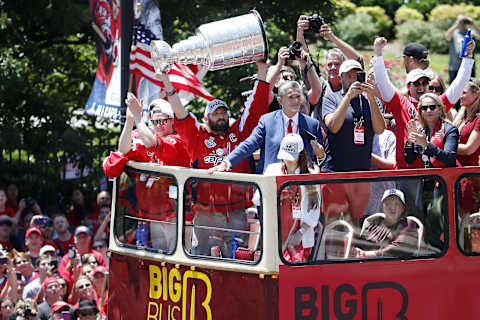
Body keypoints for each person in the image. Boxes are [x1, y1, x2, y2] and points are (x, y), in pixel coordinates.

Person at [154, 60, 269, 257]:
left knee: (238, 259)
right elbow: (180, 113)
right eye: (216, 114)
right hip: (206, 213)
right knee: (202, 258)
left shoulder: (239, 132)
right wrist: (167, 81)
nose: (221, 116)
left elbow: (256, 106)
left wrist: (262, 72)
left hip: (237, 212)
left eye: (224, 112)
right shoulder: (197, 137)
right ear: (207, 119)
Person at [372, 36, 475, 169]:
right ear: (408, 86)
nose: (421, 87)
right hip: (406, 170)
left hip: (433, 175)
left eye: (425, 82)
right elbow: (384, 84)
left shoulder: (435, 103)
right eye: (416, 83)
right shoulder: (401, 103)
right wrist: (378, 53)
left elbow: (459, 84)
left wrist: (468, 57)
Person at [320, 59, 384, 224]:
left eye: (357, 74)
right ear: (341, 78)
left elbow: (380, 129)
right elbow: (333, 126)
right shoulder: (332, 98)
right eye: (348, 75)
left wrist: (371, 97)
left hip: (360, 172)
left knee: (355, 222)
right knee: (331, 221)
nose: (353, 79)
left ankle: (353, 250)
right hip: (335, 171)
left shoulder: (370, 101)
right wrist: (348, 97)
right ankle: (330, 250)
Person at [212, 80, 325, 175]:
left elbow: (320, 159)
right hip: (271, 184)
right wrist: (227, 163)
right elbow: (249, 145)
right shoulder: (267, 121)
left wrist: (320, 156)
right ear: (280, 100)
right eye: (291, 97)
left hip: (302, 188)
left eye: (298, 97)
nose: (296, 101)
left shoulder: (312, 125)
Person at [260, 134, 321, 262]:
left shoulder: (310, 176)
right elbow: (259, 200)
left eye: (292, 156)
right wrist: (277, 196)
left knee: (293, 269)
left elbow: (315, 210)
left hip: (299, 236)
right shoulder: (272, 170)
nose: (288, 160)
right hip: (276, 232)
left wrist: (300, 233)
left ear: (300, 154)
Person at [355, 189, 418, 258]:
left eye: (397, 204)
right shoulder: (375, 222)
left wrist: (367, 254)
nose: (392, 207)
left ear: (402, 208)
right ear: (382, 207)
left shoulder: (408, 223)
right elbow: (360, 243)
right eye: (388, 203)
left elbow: (399, 248)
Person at [405, 93, 459, 168]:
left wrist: (426, 145)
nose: (428, 110)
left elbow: (450, 159)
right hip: (427, 177)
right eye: (424, 108)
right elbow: (410, 160)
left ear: (440, 109)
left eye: (432, 107)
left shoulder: (450, 130)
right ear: (420, 112)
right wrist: (410, 142)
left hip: (446, 178)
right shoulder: (421, 131)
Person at [453, 80, 480, 217]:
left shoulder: (478, 120)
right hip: (453, 175)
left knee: (467, 223)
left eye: (464, 93)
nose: (460, 96)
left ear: (476, 94)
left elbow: (470, 148)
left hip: (468, 178)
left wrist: (446, 147)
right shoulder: (460, 117)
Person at [445, 15, 479, 83]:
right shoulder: (454, 32)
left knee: (469, 87)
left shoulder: (471, 33)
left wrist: (473, 24)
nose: (463, 24)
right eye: (461, 21)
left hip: (469, 66)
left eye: (464, 22)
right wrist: (456, 24)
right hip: (454, 66)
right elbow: (447, 37)